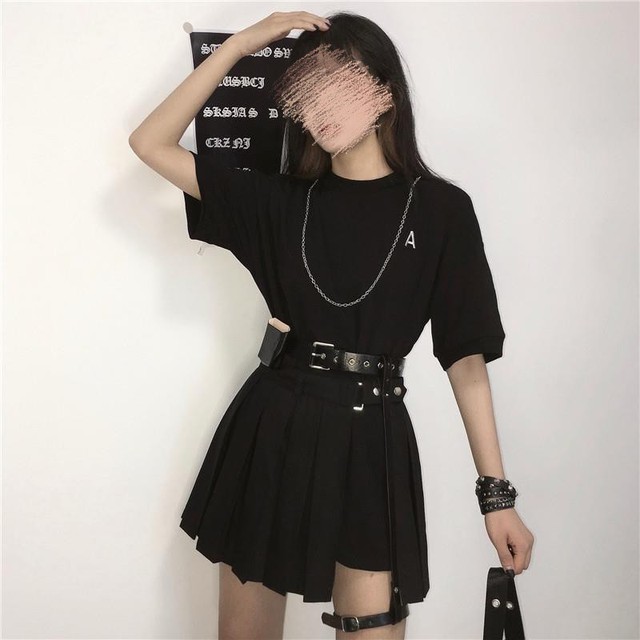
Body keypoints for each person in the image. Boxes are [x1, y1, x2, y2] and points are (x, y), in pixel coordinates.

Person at [129, 10, 534, 639]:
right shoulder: (278, 201)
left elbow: (465, 358)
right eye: (306, 89)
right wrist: (242, 45)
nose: (320, 106)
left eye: (336, 82)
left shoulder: (442, 211)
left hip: (371, 441)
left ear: (384, 89)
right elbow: (150, 143)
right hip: (273, 429)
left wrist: (496, 496)